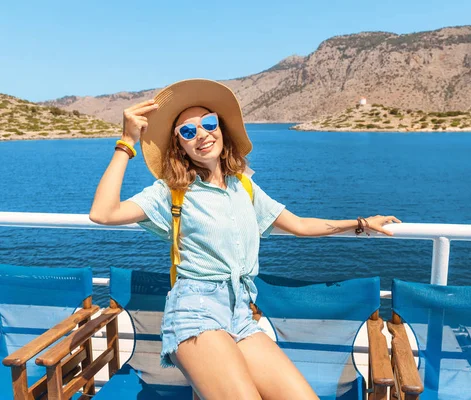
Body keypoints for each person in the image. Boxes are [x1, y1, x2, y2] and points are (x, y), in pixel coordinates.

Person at [89, 79, 400, 400]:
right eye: (187, 131)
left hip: (242, 314)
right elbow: (103, 212)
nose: (202, 135)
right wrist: (126, 142)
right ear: (179, 145)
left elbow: (300, 225)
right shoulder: (171, 192)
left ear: (221, 128)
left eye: (208, 123)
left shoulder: (245, 188)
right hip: (195, 312)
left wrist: (361, 223)